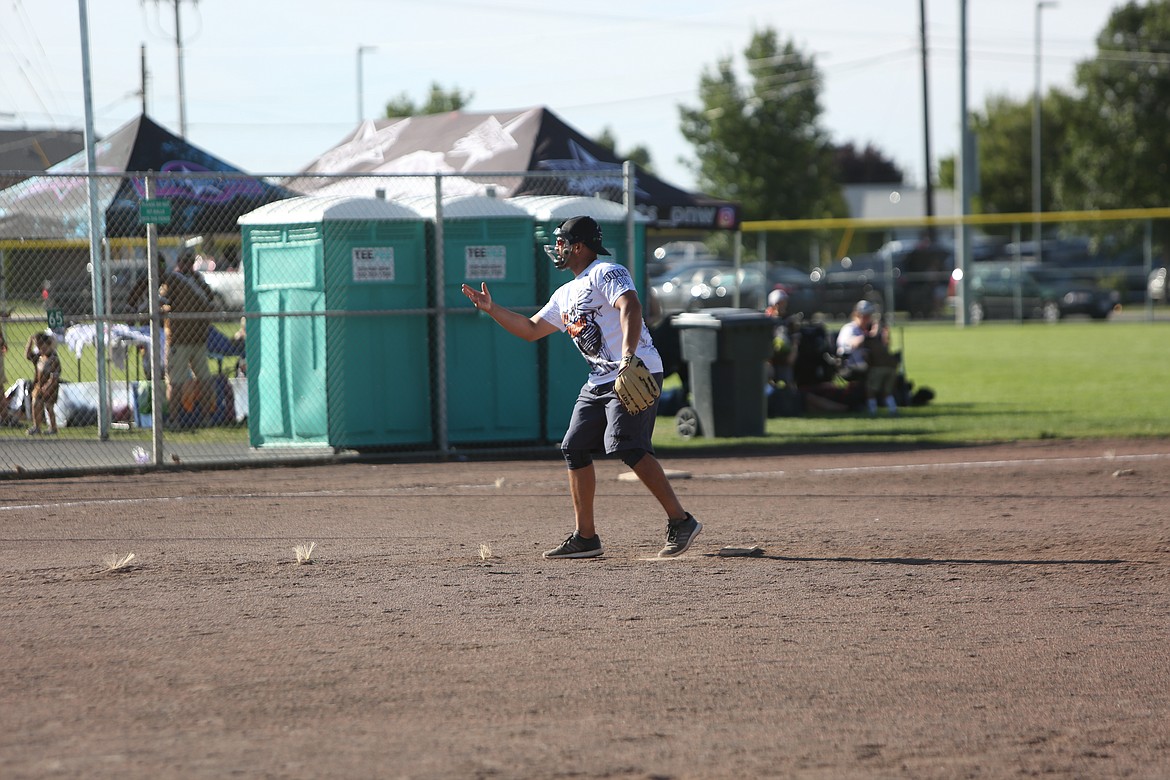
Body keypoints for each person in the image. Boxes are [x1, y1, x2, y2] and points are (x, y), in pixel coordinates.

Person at [461, 216, 702, 559]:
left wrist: (628, 357)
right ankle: (586, 537)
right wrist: (492, 309)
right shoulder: (565, 293)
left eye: (561, 242)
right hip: (599, 380)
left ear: (579, 246)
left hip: (633, 369)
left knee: (624, 445)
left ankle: (681, 521)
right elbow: (531, 330)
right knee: (574, 447)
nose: (556, 248)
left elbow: (630, 306)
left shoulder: (606, 272)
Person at [161, 250, 215, 426]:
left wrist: (165, 310)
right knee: (204, 378)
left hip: (179, 339)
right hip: (198, 338)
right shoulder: (199, 281)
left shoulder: (174, 280)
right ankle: (207, 419)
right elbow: (210, 302)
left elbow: (161, 301)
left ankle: (174, 420)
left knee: (175, 382)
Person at [26, 331, 61, 435]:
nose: (42, 350)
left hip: (51, 387)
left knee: (49, 407)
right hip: (39, 386)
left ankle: (53, 428)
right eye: (40, 347)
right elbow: (28, 355)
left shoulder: (53, 359)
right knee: (35, 404)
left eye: (44, 347)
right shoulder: (40, 357)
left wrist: (47, 387)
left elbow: (54, 377)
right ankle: (37, 426)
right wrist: (30, 342)